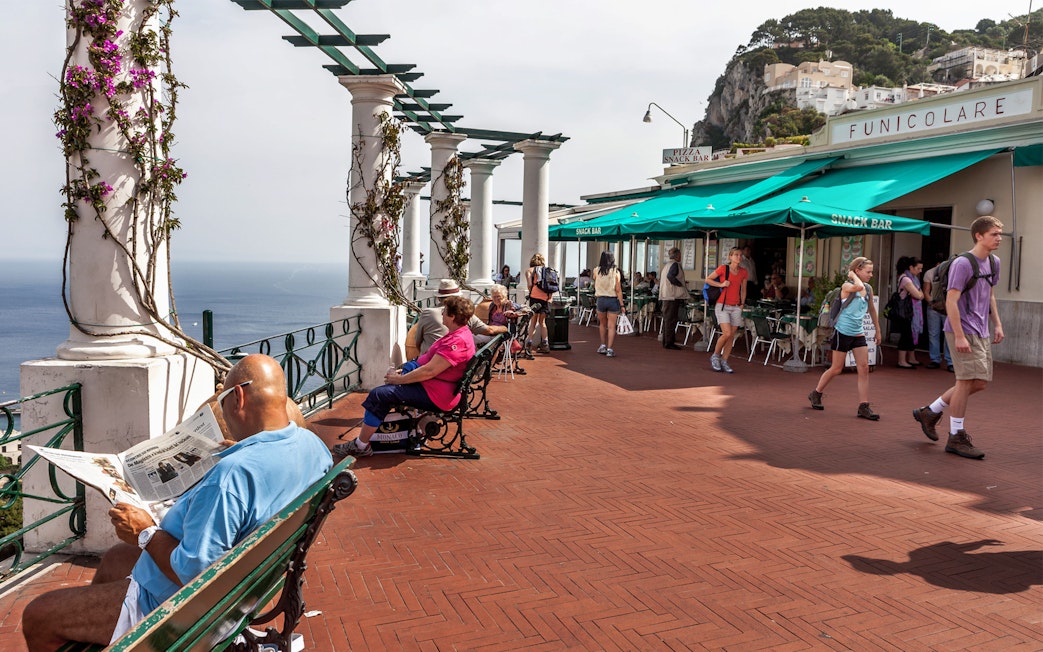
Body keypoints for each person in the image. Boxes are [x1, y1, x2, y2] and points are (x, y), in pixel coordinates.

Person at [22, 354, 332, 650]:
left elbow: (197, 574)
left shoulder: (231, 476)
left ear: (237, 397)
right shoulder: (313, 447)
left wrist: (144, 531)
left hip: (187, 611)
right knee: (116, 558)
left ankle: (129, 635)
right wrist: (239, 450)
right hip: (250, 587)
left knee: (38, 615)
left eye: (222, 401)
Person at [336, 295, 477, 458]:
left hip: (437, 395)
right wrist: (405, 372)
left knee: (378, 395)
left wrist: (401, 379)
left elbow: (429, 371)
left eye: (444, 311)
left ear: (452, 316)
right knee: (386, 391)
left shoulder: (457, 342)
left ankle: (361, 445)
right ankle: (391, 436)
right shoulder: (459, 334)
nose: (442, 314)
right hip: (435, 387)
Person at [912, 216, 1004, 460]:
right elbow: (951, 300)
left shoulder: (994, 262)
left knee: (980, 382)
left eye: (999, 234)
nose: (999, 238)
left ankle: (930, 412)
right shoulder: (963, 263)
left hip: (981, 330)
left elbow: (990, 295)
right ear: (979, 236)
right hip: (962, 330)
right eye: (994, 234)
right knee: (965, 381)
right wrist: (960, 336)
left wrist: (997, 324)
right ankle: (956, 436)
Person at [808, 257, 881, 420]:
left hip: (858, 332)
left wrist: (878, 330)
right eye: (868, 272)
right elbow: (858, 287)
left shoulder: (868, 289)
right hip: (843, 332)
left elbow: (872, 310)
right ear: (857, 271)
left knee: (864, 368)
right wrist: (852, 275)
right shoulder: (847, 286)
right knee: (836, 368)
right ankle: (816, 393)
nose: (871, 275)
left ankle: (863, 406)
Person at [706, 247, 748, 373]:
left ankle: (724, 360)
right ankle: (715, 355)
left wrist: (742, 304)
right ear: (730, 256)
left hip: (736, 306)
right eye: (736, 255)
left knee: (731, 336)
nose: (739, 257)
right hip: (722, 305)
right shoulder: (723, 268)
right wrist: (721, 284)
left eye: (740, 255)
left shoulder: (743, 272)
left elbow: (743, 289)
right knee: (727, 333)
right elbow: (708, 279)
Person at [922, 254, 954, 372]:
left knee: (946, 334)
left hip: (945, 307)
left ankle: (948, 360)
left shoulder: (951, 272)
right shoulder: (930, 273)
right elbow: (926, 291)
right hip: (936, 307)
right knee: (935, 334)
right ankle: (937, 359)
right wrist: (932, 303)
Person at [893, 256, 925, 368]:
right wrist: (919, 294)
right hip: (907, 312)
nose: (920, 271)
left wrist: (919, 293)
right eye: (918, 268)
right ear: (911, 267)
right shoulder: (906, 279)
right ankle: (901, 361)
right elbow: (919, 295)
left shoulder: (913, 279)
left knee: (911, 335)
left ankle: (911, 358)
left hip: (911, 311)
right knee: (906, 335)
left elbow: (920, 294)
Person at [592, 250, 625, 358]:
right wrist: (622, 304)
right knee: (611, 326)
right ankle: (610, 349)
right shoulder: (615, 272)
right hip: (612, 299)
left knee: (602, 324)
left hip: (601, 299)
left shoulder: (596, 270)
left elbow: (594, 281)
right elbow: (618, 290)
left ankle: (602, 345)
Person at [659, 247, 687, 350]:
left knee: (667, 319)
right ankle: (669, 342)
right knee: (671, 319)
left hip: (666, 295)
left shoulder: (667, 265)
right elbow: (670, 276)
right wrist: (679, 284)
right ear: (677, 256)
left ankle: (667, 340)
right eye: (680, 255)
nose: (681, 257)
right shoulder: (675, 265)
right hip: (672, 296)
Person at [525, 253, 552, 353]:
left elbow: (529, 284)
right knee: (542, 322)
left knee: (533, 322)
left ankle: (529, 343)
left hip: (534, 298)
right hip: (545, 298)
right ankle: (545, 344)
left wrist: (531, 291)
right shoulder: (546, 270)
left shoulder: (529, 270)